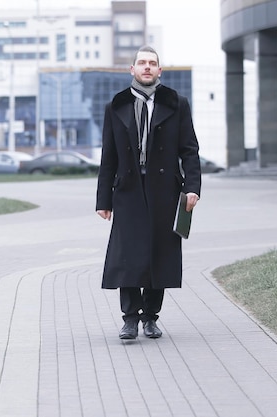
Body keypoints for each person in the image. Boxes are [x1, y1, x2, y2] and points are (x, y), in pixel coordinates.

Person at [96, 45, 202, 340]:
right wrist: (103, 200)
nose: (146, 67)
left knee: (160, 253)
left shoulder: (176, 103)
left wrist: (192, 188)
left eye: (151, 63)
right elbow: (109, 157)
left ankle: (151, 318)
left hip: (165, 190)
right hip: (128, 190)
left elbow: (190, 150)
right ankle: (130, 319)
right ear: (132, 69)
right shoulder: (116, 106)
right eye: (141, 63)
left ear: (159, 70)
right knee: (128, 254)